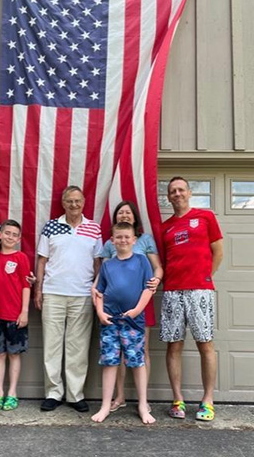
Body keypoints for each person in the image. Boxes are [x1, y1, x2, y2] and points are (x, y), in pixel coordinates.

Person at [34, 186, 102, 412]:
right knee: (52, 345)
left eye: (78, 201)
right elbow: (42, 260)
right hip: (53, 292)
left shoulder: (94, 228)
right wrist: (38, 290)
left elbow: (97, 264)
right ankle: (53, 393)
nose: (74, 205)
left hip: (82, 294)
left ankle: (75, 394)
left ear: (84, 202)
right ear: (63, 203)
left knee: (78, 347)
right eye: (69, 201)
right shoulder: (51, 226)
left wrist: (95, 290)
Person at [160, 176, 223, 421]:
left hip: (200, 290)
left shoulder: (205, 217)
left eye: (181, 190)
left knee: (205, 344)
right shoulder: (165, 227)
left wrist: (206, 276)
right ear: (168, 197)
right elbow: (164, 262)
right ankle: (178, 400)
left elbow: (218, 250)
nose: (177, 194)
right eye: (172, 191)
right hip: (173, 292)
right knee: (173, 345)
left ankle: (208, 401)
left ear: (189, 193)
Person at [95, 201, 163, 411]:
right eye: (120, 212)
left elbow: (153, 274)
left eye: (128, 213)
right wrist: (99, 309)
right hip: (110, 318)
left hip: (135, 314)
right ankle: (114, 400)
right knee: (111, 359)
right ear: (113, 240)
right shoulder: (108, 262)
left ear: (134, 239)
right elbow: (99, 288)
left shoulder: (142, 257)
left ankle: (143, 403)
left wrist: (139, 307)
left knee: (137, 355)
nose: (123, 240)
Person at [0, 219, 31, 411]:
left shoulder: (21, 258)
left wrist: (24, 311)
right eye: (7, 233)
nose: (10, 237)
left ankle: (12, 393)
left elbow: (26, 285)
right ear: (0, 234)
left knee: (14, 354)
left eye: (15, 234)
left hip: (15, 315)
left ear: (19, 238)